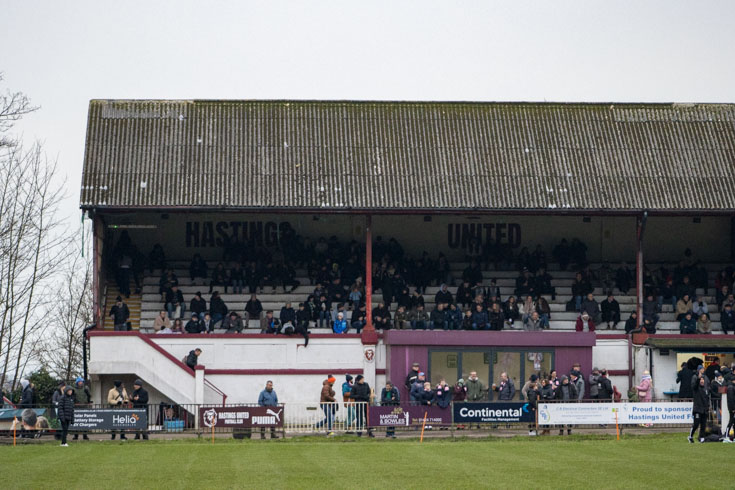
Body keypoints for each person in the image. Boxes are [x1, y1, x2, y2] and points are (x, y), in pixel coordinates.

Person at [689, 366, 710, 443]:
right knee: (696, 424)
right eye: (701, 380)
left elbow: (707, 398)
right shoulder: (696, 389)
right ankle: (690, 436)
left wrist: (707, 406)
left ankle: (701, 437)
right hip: (697, 408)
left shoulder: (705, 390)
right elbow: (694, 385)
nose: (702, 381)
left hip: (704, 409)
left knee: (703, 424)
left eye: (702, 380)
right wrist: (698, 378)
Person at [724, 376, 735, 443]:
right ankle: (726, 436)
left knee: (733, 422)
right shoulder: (731, 388)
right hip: (733, 409)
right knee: (731, 422)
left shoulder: (731, 387)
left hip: (733, 408)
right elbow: (731, 399)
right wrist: (733, 408)